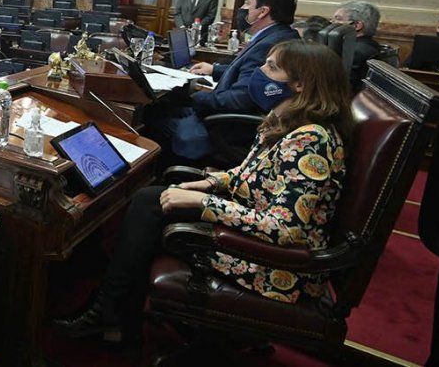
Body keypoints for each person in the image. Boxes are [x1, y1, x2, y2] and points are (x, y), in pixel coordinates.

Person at [54, 40, 352, 346]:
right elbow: (252, 176)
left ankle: (110, 312)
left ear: (301, 84)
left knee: (150, 206)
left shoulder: (310, 140)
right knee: (151, 200)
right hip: (259, 236)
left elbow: (287, 229)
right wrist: (210, 183)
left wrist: (205, 202)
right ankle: (115, 312)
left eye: (272, 67)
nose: (259, 72)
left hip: (279, 268)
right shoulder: (287, 121)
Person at [149, 0, 301, 161]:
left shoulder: (269, 44)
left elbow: (240, 99)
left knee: (153, 116)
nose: (242, 9)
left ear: (263, 11)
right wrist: (214, 69)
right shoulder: (278, 35)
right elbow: (249, 72)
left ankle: (163, 177)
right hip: (229, 115)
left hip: (228, 126)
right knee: (167, 107)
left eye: (247, 4)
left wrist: (196, 95)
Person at [332, 0, 382, 88]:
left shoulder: (354, 52)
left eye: (338, 19)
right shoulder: (371, 45)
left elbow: (338, 86)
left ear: (356, 25)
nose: (332, 23)